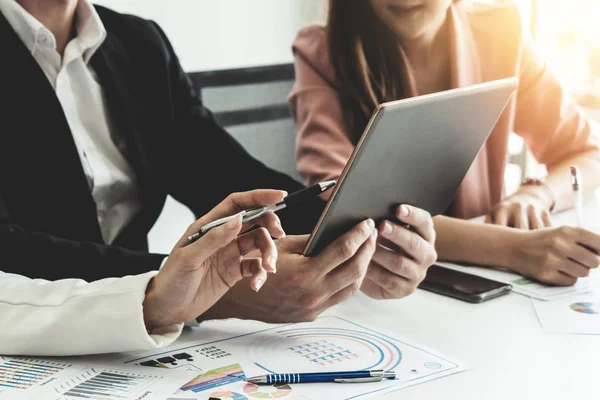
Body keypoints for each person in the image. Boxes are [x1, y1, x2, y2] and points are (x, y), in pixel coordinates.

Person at [0, 0, 437, 356]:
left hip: (145, 351)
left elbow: (226, 175)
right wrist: (201, 291)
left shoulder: (138, 42)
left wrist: (354, 233)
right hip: (31, 348)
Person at [289, 0, 600, 287]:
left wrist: (537, 195)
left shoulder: (501, 32)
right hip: (375, 289)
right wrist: (513, 249)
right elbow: (344, 204)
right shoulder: (321, 52)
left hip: (486, 285)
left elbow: (587, 154)